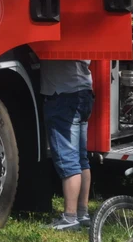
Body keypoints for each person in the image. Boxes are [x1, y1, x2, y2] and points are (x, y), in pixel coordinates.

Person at [40, 59, 94, 230]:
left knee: (68, 161)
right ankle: (82, 213)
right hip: (84, 91)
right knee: (81, 159)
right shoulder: (83, 34)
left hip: (62, 94)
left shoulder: (64, 37)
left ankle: (70, 218)